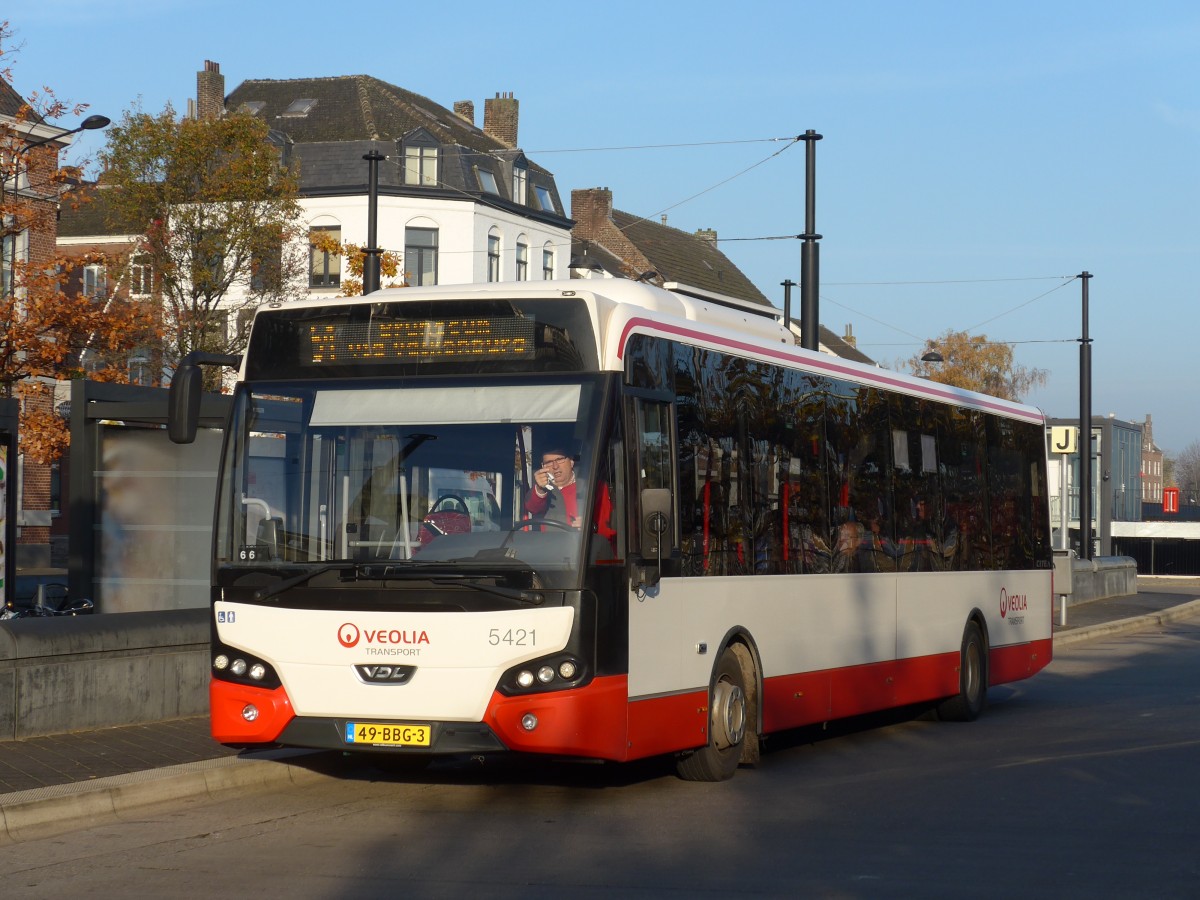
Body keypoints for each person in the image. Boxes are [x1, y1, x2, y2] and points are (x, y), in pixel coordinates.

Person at [524, 448, 615, 541]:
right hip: (549, 549)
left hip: (585, 551)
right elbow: (532, 507)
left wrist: (591, 526)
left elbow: (610, 527)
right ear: (543, 467)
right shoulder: (542, 490)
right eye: (549, 462)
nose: (555, 466)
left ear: (571, 461)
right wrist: (540, 488)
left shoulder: (593, 486)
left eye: (560, 459)